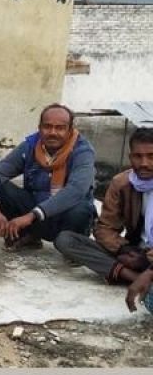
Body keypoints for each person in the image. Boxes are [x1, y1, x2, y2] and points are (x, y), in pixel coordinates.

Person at [53, 128, 152, 301]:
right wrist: (123, 248)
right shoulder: (121, 183)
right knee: (66, 240)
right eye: (138, 156)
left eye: (151, 156)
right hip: (134, 252)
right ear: (130, 158)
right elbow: (105, 227)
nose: (144, 163)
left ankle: (127, 274)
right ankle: (133, 277)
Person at [0, 104, 95, 250]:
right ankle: (26, 236)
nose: (52, 132)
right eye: (47, 127)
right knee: (2, 188)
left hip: (64, 217)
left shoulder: (83, 151)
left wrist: (31, 216)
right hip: (36, 212)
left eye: (60, 128)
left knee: (81, 208)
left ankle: (74, 247)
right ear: (39, 127)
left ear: (70, 130)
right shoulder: (30, 146)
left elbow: (77, 190)